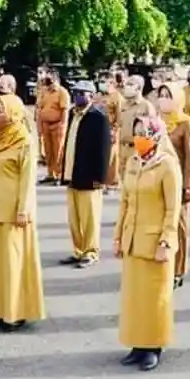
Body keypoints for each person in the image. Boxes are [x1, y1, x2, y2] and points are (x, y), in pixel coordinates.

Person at [115, 116, 183, 372]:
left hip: (156, 242)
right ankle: (137, 344)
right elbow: (124, 201)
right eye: (137, 133)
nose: (140, 138)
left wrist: (166, 240)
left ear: (156, 135)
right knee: (135, 298)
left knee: (155, 298)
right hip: (133, 240)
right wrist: (118, 236)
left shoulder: (168, 166)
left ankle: (153, 347)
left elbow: (172, 208)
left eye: (145, 133)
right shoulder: (133, 162)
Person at [0, 94, 46, 331]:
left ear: (14, 113)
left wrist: (24, 209)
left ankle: (15, 312)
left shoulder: (24, 142)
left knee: (13, 262)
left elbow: (27, 181)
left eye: (0, 111)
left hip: (13, 213)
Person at [61, 81, 111, 268]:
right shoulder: (73, 115)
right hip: (72, 173)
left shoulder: (97, 117)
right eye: (75, 92)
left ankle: (91, 251)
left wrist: (100, 178)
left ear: (91, 95)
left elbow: (104, 150)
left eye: (82, 93)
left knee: (89, 218)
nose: (77, 96)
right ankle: (78, 250)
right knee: (74, 218)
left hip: (89, 176)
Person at [157, 83, 190, 288]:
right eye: (161, 95)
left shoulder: (185, 123)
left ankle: (178, 269)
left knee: (179, 226)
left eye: (168, 95)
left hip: (179, 181)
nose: (163, 99)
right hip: (156, 180)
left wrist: (188, 185)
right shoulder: (154, 121)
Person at [36, 70, 70, 184]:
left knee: (58, 151)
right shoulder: (44, 92)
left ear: (56, 79)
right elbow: (39, 108)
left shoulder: (62, 92)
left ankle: (59, 175)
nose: (48, 82)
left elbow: (65, 110)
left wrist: (62, 125)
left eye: (50, 80)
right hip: (46, 125)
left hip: (57, 125)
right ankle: (50, 173)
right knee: (48, 151)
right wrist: (39, 125)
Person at [118, 75, 153, 183]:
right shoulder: (123, 105)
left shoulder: (146, 106)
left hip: (137, 149)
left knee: (137, 182)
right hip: (123, 149)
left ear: (139, 88)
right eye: (127, 84)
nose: (126, 86)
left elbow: (152, 132)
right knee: (125, 184)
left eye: (130, 84)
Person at [99, 73, 123, 188]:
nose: (102, 84)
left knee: (111, 156)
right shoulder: (99, 96)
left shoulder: (117, 97)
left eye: (105, 81)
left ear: (112, 83)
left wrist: (114, 130)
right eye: (101, 81)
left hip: (111, 129)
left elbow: (119, 116)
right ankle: (100, 179)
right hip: (98, 128)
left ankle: (111, 181)